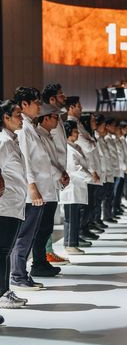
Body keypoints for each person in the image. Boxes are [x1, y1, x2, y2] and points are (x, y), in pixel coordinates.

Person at [11, 87, 53, 290]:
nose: (39, 107)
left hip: (39, 190)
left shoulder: (30, 127)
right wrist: (32, 187)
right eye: (36, 102)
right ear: (24, 104)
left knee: (30, 234)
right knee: (24, 235)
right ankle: (17, 275)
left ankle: (21, 273)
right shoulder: (23, 129)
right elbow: (25, 161)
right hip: (31, 193)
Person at [33, 104, 69, 277]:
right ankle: (37, 264)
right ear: (45, 118)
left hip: (51, 186)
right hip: (43, 187)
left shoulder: (47, 135)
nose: (57, 120)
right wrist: (59, 174)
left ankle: (41, 262)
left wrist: (61, 174)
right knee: (40, 230)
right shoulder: (38, 135)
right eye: (54, 117)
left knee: (46, 228)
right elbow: (44, 162)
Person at [0, 101, 29, 314]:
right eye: (18, 114)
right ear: (5, 118)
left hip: (14, 204)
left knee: (5, 251)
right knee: (2, 252)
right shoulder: (3, 142)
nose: (22, 118)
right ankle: (2, 293)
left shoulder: (12, 140)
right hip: (5, 205)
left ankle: (5, 290)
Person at [42, 83, 70, 265]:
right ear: (51, 99)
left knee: (49, 219)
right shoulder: (47, 120)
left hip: (58, 171)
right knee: (43, 221)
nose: (64, 98)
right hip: (49, 174)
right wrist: (58, 171)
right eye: (60, 95)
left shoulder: (57, 118)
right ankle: (45, 252)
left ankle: (48, 251)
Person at [60, 120, 93, 255]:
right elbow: (75, 168)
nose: (77, 133)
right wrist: (89, 176)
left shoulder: (75, 147)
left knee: (74, 217)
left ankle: (72, 243)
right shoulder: (68, 149)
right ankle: (69, 244)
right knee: (71, 218)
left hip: (77, 187)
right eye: (75, 131)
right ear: (68, 134)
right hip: (71, 188)